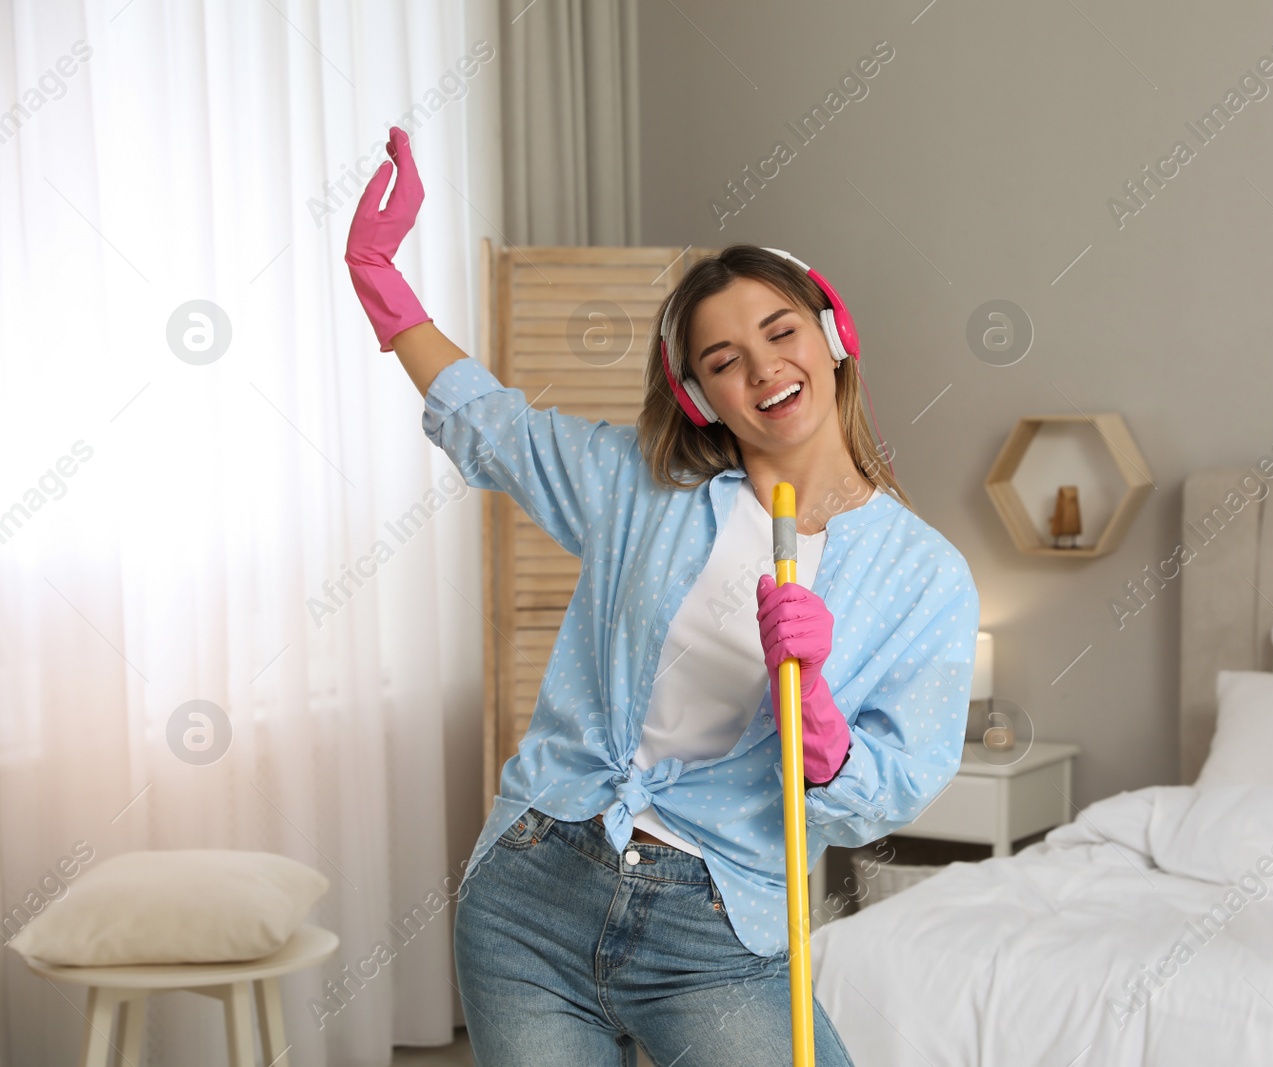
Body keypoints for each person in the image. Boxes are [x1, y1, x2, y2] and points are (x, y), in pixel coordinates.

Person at [345, 126, 981, 1067]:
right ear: (698, 396)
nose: (763, 368)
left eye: (781, 332)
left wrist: (824, 736)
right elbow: (493, 425)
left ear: (834, 335)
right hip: (533, 896)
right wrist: (380, 283)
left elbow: (893, 784)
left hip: (714, 933)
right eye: (723, 359)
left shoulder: (925, 576)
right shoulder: (642, 490)